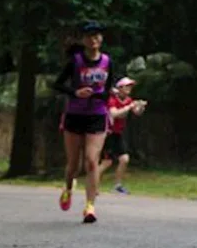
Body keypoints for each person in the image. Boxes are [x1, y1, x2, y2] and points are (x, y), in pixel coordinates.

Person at [53, 21, 113, 224]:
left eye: (97, 36)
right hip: (75, 114)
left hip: (97, 114)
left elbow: (109, 88)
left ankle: (90, 206)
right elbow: (58, 84)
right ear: (83, 40)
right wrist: (76, 92)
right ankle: (68, 188)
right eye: (89, 36)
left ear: (101, 39)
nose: (93, 39)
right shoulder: (76, 61)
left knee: (91, 160)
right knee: (73, 164)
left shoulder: (107, 61)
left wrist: (101, 96)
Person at [98, 77, 146, 193]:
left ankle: (117, 186)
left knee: (124, 159)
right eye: (127, 86)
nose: (129, 88)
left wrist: (141, 107)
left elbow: (137, 112)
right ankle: (93, 184)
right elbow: (114, 114)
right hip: (108, 133)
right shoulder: (112, 100)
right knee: (107, 162)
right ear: (120, 88)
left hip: (118, 134)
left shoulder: (128, 100)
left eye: (130, 86)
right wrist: (129, 107)